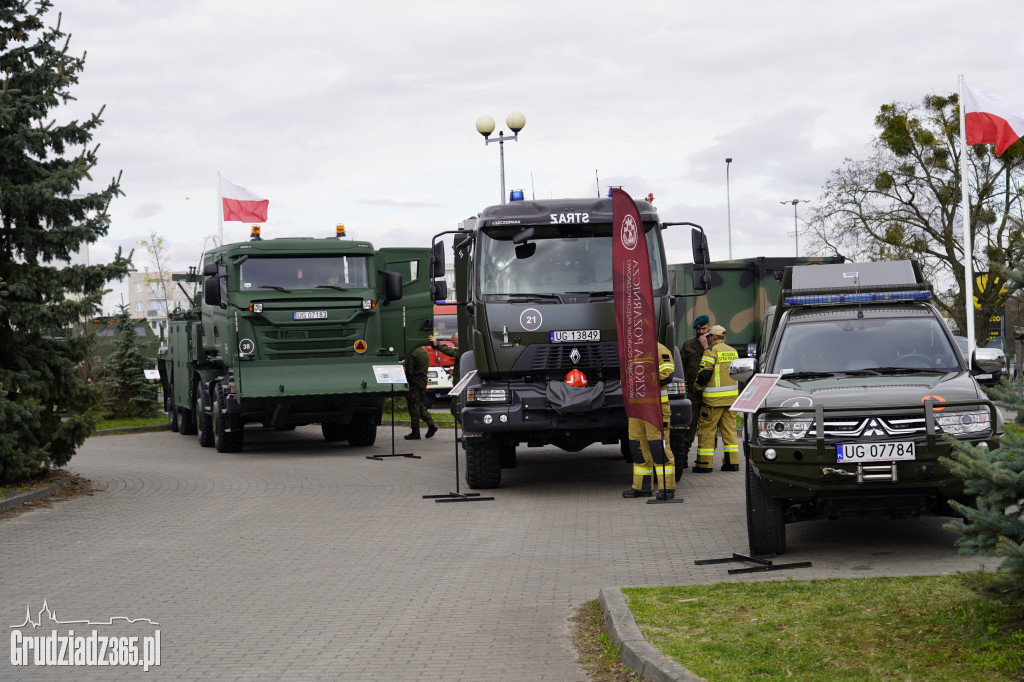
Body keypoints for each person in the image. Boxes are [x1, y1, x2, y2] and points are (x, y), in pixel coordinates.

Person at [623, 342, 677, 499]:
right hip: (636, 409)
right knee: (637, 447)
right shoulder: (631, 351)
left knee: (658, 447)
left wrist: (643, 382)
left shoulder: (660, 349)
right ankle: (641, 487)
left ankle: (667, 489)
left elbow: (667, 375)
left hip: (655, 408)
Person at [693, 325, 740, 472]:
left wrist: (697, 388)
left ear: (713, 337)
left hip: (713, 402)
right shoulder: (733, 352)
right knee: (730, 432)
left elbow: (704, 375)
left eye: (709, 336)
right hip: (731, 400)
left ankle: (704, 465)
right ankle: (732, 463)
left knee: (707, 432)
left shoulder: (711, 351)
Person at [679, 314, 711, 467]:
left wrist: (707, 347)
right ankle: (683, 455)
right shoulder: (688, 345)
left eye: (703, 328)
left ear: (709, 326)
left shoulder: (714, 344)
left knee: (708, 427)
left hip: (711, 391)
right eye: (698, 329)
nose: (700, 332)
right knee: (690, 425)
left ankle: (706, 460)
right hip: (693, 391)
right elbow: (681, 367)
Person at [403, 345, 437, 440]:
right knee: (420, 406)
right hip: (422, 382)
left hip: (414, 384)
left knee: (414, 408)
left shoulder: (412, 353)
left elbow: (409, 371)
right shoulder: (424, 352)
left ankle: (415, 432)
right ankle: (431, 424)